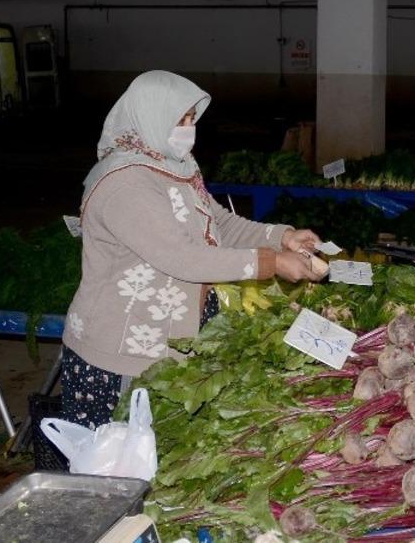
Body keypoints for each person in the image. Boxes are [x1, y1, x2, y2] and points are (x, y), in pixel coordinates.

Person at [61, 70, 324, 430]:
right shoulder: (125, 183)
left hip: (169, 348)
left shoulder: (176, 166)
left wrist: (281, 237)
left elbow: (218, 223)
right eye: (179, 119)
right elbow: (182, 257)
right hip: (123, 356)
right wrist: (272, 262)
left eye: (190, 119)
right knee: (120, 472)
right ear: (148, 115)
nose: (187, 128)